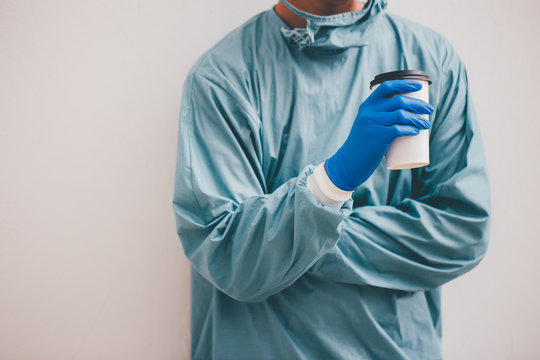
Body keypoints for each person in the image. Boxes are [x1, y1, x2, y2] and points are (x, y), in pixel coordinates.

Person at [172, 0, 491, 358]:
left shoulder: (430, 64)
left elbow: (461, 232)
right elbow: (231, 260)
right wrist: (331, 182)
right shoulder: (222, 79)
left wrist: (305, 222)